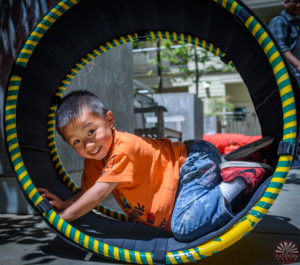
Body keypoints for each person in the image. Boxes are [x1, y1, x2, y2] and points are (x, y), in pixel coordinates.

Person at [39, 90, 272, 242]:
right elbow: (87, 192)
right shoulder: (94, 163)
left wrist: (65, 216)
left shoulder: (124, 147)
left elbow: (98, 194)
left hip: (191, 163)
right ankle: (223, 178)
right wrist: (65, 203)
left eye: (91, 132)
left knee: (185, 227)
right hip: (182, 183)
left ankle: (241, 178)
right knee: (179, 223)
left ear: (109, 120)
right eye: (77, 142)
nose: (88, 145)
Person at [269, 0, 300, 86]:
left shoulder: (297, 22)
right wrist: (298, 65)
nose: (298, 5)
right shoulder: (278, 21)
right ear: (286, 3)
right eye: (295, 2)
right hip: (289, 75)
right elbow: (279, 47)